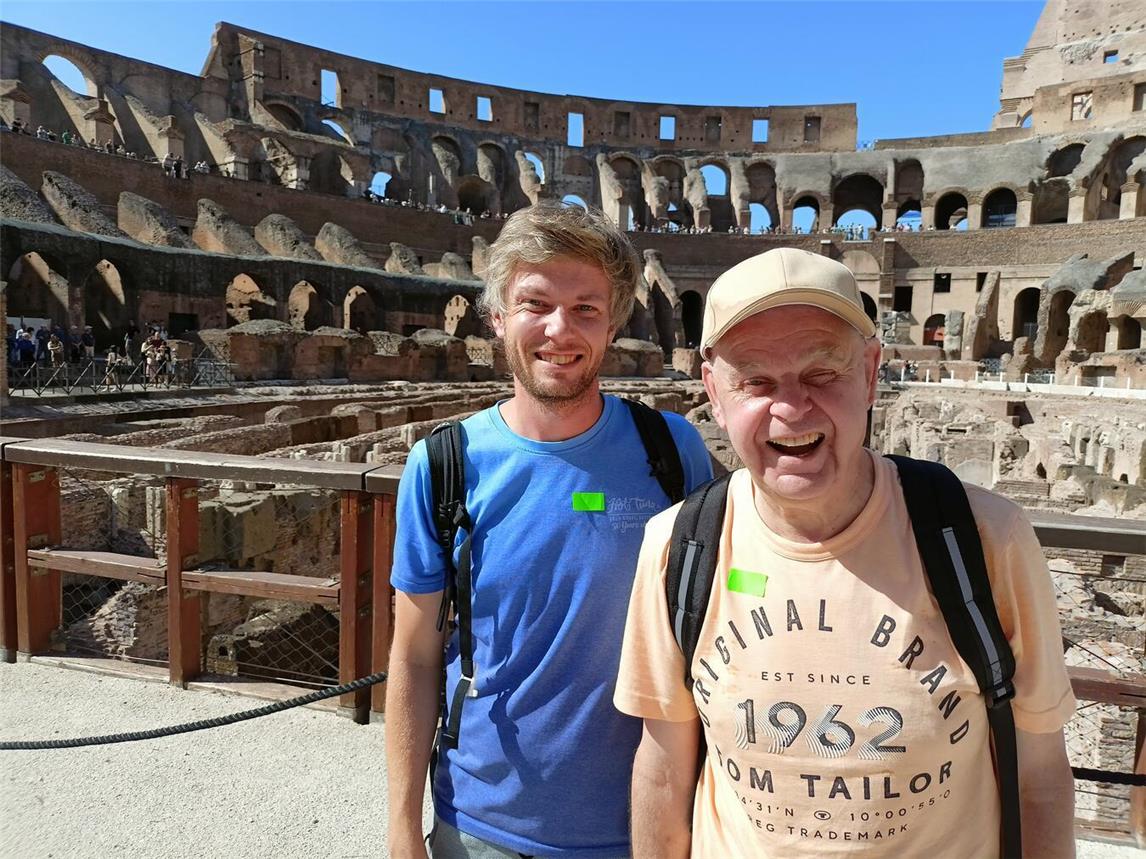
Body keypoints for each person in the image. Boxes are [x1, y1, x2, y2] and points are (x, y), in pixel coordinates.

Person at [615, 247, 1076, 858]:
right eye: (755, 379)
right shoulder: (677, 546)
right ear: (714, 393)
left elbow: (1040, 776)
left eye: (822, 373)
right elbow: (665, 767)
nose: (791, 407)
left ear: (871, 374)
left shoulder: (987, 539)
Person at [386, 202, 713, 858]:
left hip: (641, 825)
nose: (560, 330)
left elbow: (721, 603)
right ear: (499, 315)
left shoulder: (674, 453)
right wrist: (401, 827)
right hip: (480, 823)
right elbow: (415, 657)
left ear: (614, 322)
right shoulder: (444, 467)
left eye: (586, 308)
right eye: (536, 302)